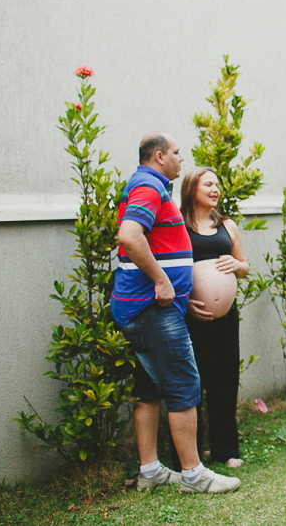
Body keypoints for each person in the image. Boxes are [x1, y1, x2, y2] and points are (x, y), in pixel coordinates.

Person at [112, 132, 241, 494]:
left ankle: (150, 469)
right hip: (153, 307)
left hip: (143, 307)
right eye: (176, 152)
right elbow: (129, 236)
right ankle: (193, 474)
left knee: (149, 388)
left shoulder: (147, 185)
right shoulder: (149, 187)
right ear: (158, 156)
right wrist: (162, 281)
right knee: (185, 386)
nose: (181, 159)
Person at [178, 167, 249, 469]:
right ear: (192, 189)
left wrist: (236, 264)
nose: (215, 188)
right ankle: (189, 453)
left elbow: (245, 266)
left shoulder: (227, 225)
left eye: (216, 184)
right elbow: (170, 269)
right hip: (190, 318)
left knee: (225, 381)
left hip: (225, 318)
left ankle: (226, 449)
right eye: (208, 184)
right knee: (192, 383)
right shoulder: (178, 226)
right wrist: (186, 303)